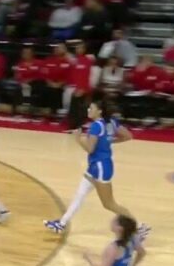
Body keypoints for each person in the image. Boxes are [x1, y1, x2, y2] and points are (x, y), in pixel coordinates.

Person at [45, 102, 148, 238]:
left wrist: (78, 138)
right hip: (98, 166)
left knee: (109, 204)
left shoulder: (95, 126)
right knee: (79, 195)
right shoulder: (111, 122)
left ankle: (139, 226)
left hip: (100, 167)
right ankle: (62, 223)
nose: (88, 109)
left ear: (99, 111)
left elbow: (90, 149)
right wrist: (109, 141)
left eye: (91, 108)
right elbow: (128, 136)